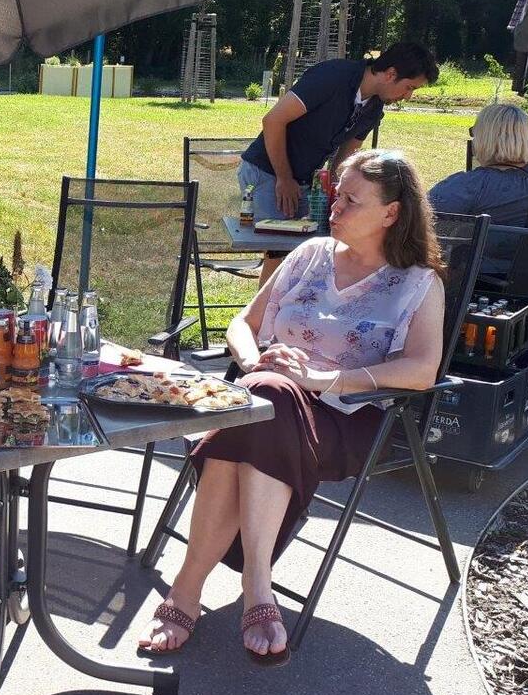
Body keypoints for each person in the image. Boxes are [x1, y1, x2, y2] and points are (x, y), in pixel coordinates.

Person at [139, 150, 446, 665]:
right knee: (266, 400)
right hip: (266, 395)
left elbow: (422, 370)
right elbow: (243, 323)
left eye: (352, 200)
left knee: (261, 407)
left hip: (347, 416)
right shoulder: (310, 255)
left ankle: (187, 590)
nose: (335, 206)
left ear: (391, 212)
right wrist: (255, 359)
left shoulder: (416, 283)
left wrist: (326, 379)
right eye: (336, 194)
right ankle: (257, 587)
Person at [242, 42, 439, 284]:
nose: (407, 96)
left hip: (300, 180)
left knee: (309, 252)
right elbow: (273, 121)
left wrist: (338, 193)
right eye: (409, 87)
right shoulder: (332, 76)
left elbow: (347, 154)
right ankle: (266, 309)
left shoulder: (374, 107)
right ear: (390, 74)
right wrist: (284, 178)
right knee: (279, 252)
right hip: (266, 171)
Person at [429, 103, 528, 226]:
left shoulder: (469, 185)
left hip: (486, 239)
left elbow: (421, 215)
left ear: (485, 139)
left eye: (474, 133)